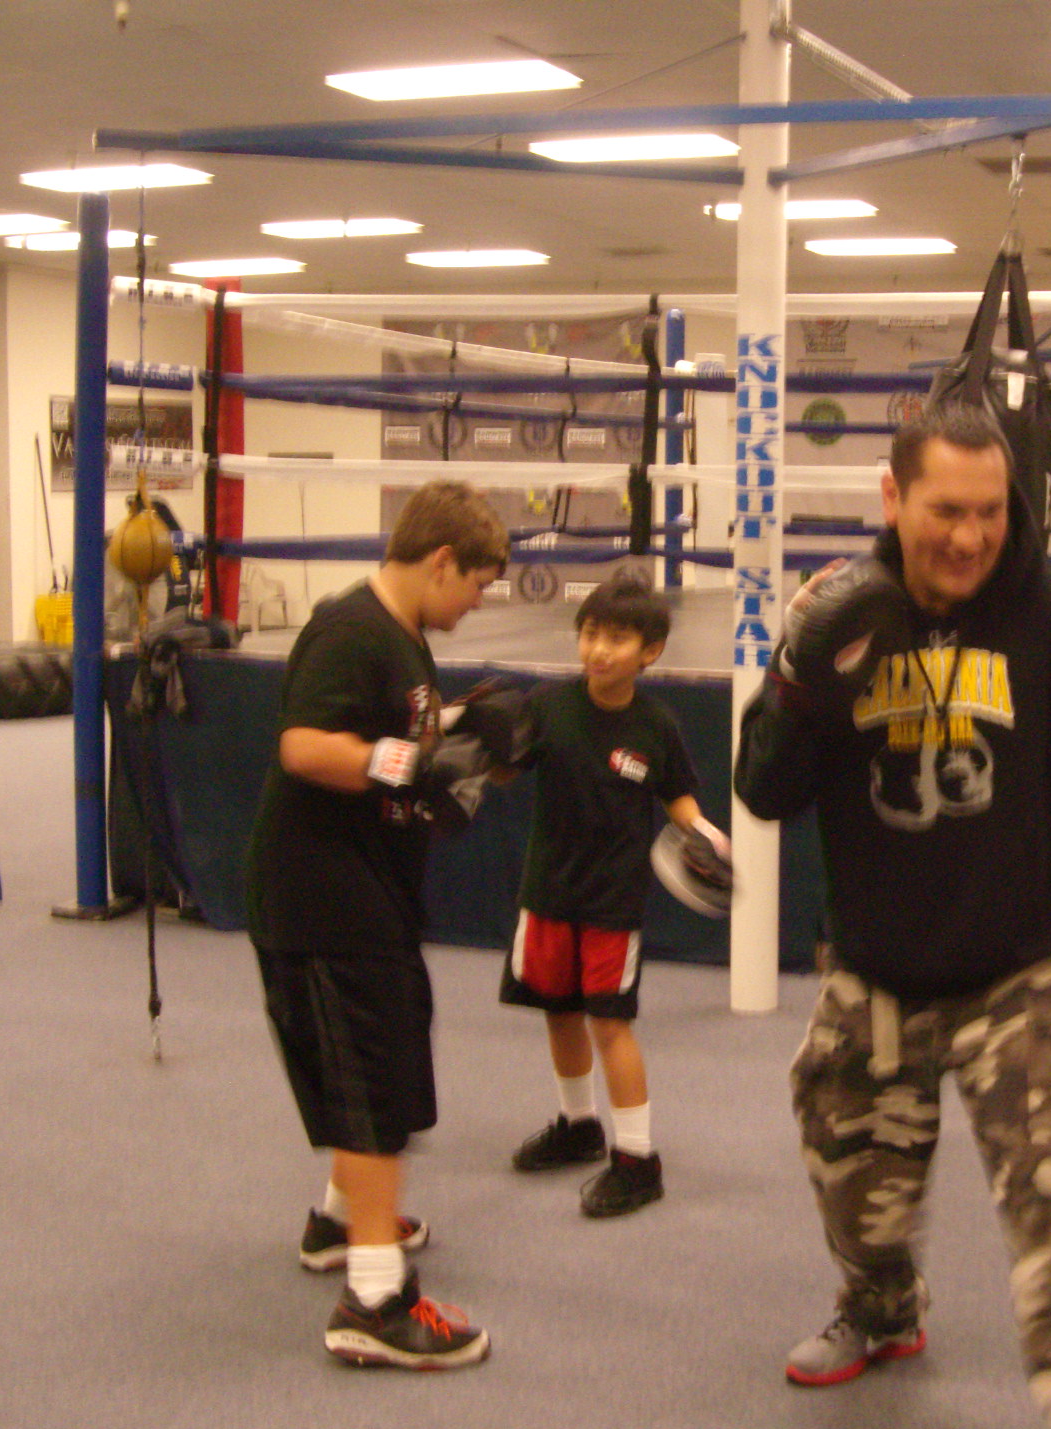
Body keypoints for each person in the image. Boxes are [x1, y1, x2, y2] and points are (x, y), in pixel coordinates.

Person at [735, 403, 1051, 1429]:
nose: (970, 537)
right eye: (946, 511)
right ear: (892, 498)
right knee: (847, 1172)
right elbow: (763, 790)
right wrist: (795, 683)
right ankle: (882, 1306)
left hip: (1024, 971)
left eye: (990, 513)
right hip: (876, 967)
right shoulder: (841, 618)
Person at [247, 479, 508, 1370]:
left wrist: (469, 726)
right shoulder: (350, 630)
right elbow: (304, 746)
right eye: (476, 584)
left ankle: (338, 1221)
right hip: (321, 895)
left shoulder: (403, 638)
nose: (478, 603)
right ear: (442, 561)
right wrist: (409, 764)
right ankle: (373, 1299)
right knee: (368, 1080)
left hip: (366, 886)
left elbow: (400, 739)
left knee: (380, 1060)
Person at [500, 568, 727, 1218]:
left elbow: (678, 797)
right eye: (591, 633)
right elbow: (504, 769)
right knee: (559, 1010)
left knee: (609, 1024)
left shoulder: (656, 726)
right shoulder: (547, 706)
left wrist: (704, 833)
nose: (599, 649)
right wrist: (471, 750)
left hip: (612, 903)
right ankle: (579, 1126)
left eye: (617, 639)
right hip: (548, 892)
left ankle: (637, 1160)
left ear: (649, 652)